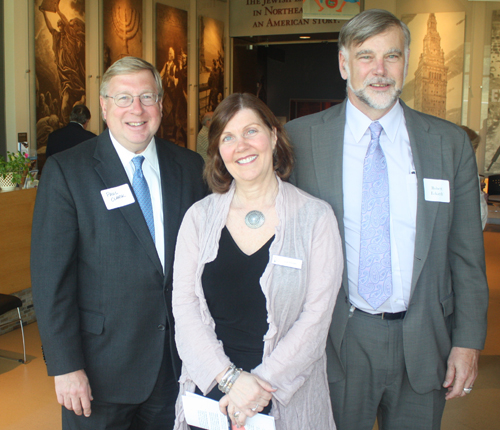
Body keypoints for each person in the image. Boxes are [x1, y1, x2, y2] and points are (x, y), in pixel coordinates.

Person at [285, 9, 489, 430]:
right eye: (365, 56)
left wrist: (467, 343)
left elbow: (467, 256)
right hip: (337, 339)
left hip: (425, 339)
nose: (379, 71)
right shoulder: (299, 139)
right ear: (344, 64)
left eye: (391, 56)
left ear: (407, 62)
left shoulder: (448, 144)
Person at [31, 56, 207, 430]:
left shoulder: (191, 168)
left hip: (174, 366)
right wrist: (66, 367)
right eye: (124, 98)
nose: (137, 110)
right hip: (98, 372)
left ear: (160, 104)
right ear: (104, 105)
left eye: (147, 97)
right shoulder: (67, 171)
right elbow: (51, 280)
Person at [172, 93, 343, 430]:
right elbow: (185, 306)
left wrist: (256, 387)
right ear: (218, 149)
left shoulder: (315, 218)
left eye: (251, 131)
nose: (241, 146)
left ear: (274, 136)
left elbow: (316, 318)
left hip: (283, 393)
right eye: (228, 137)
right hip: (213, 392)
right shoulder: (199, 217)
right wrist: (231, 381)